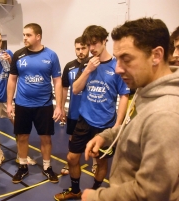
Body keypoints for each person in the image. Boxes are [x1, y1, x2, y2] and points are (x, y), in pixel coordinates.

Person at [81, 17, 179, 201]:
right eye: (117, 60)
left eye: (126, 59)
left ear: (156, 55)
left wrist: (96, 197)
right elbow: (140, 130)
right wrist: (107, 135)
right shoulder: (147, 91)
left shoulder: (165, 115)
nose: (117, 69)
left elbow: (151, 193)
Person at [54, 25, 129, 200]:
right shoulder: (87, 64)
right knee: (72, 157)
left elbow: (124, 96)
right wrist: (87, 70)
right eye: (89, 45)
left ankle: (95, 191)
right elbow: (76, 90)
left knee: (101, 161)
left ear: (104, 41)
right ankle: (75, 190)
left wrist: (117, 126)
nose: (92, 48)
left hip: (105, 125)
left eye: (94, 44)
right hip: (84, 121)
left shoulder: (116, 65)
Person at [7, 23, 62, 184]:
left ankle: (47, 167)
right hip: (23, 104)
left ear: (38, 36)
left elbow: (57, 81)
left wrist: (59, 105)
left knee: (46, 138)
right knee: (22, 136)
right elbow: (12, 80)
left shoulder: (51, 55)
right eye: (23, 34)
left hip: (44, 105)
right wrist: (9, 103)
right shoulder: (18, 55)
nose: (24, 38)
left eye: (28, 35)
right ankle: (23, 167)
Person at [0, 30, 36, 167]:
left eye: (0, 41)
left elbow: (17, 71)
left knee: (18, 125)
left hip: (8, 99)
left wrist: (10, 61)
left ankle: (21, 154)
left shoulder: (9, 54)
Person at [60, 36, 90, 175]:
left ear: (89, 48)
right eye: (77, 49)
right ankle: (70, 163)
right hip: (74, 111)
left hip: (91, 112)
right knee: (72, 138)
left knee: (94, 138)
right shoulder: (69, 66)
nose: (80, 52)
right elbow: (64, 88)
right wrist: (61, 108)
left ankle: (95, 164)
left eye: (83, 48)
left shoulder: (94, 66)